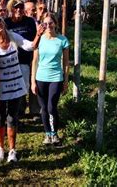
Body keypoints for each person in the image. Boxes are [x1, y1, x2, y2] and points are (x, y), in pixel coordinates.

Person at [0, 14, 43, 163]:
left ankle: (12, 149)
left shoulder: (12, 36)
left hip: (16, 86)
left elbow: (30, 46)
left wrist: (38, 34)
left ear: (3, 21)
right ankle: (0, 148)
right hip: (0, 87)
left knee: (12, 117)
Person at [31, 13, 70, 146]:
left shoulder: (62, 40)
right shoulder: (39, 40)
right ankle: (48, 134)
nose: (48, 26)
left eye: (51, 23)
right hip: (41, 77)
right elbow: (35, 61)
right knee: (44, 108)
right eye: (45, 24)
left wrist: (65, 81)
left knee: (51, 106)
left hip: (56, 77)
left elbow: (65, 63)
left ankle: (54, 133)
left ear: (55, 24)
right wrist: (32, 81)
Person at [4, 0, 38, 116]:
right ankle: (20, 110)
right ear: (11, 8)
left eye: (21, 7)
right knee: (17, 87)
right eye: (15, 7)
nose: (18, 9)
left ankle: (35, 110)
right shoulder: (6, 22)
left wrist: (35, 57)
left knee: (32, 83)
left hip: (27, 58)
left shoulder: (29, 22)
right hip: (11, 61)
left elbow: (35, 40)